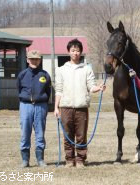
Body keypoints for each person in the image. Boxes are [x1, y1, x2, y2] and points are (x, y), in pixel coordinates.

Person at [54, 39, 106, 168]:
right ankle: (69, 159)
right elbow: (58, 90)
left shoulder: (87, 69)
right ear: (68, 52)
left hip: (81, 108)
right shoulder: (61, 70)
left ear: (81, 52)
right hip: (65, 107)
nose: (75, 53)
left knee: (81, 135)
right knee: (67, 135)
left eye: (77, 50)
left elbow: (91, 87)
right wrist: (56, 107)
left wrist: (98, 88)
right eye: (73, 50)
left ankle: (80, 160)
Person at [17, 50, 51, 168]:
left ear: (40, 60)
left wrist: (42, 102)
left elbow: (48, 91)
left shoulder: (45, 75)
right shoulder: (22, 75)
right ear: (27, 60)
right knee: (25, 133)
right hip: (26, 106)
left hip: (41, 106)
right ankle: (25, 160)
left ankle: (40, 160)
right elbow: (19, 89)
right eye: (32, 59)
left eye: (36, 59)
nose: (34, 61)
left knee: (40, 133)